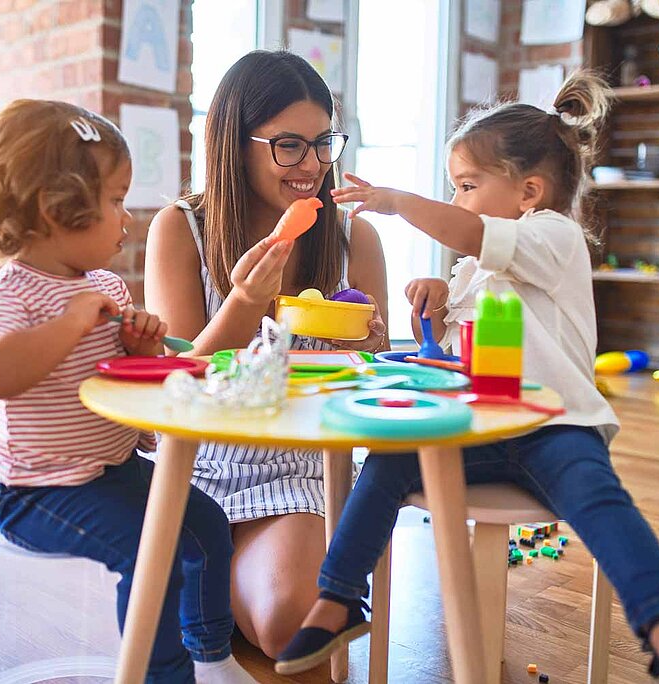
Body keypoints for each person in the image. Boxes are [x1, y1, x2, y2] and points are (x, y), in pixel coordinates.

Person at [276, 73, 659, 684]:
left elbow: (472, 233)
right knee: (387, 461)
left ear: (529, 190)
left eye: (467, 186)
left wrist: (398, 203)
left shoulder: (555, 236)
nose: (460, 201)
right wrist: (438, 312)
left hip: (558, 428)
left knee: (602, 502)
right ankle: (336, 602)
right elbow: (456, 359)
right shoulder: (473, 267)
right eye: (455, 189)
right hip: (478, 430)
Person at [0, 99, 255, 684]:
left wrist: (141, 346)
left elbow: (127, 376)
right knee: (153, 553)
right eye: (116, 200)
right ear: (56, 211)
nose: (127, 220)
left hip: (111, 469)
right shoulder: (10, 294)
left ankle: (212, 656)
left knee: (206, 524)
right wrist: (70, 323)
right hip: (35, 490)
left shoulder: (104, 285)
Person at [144, 50, 390, 658]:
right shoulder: (181, 230)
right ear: (236, 142)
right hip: (197, 464)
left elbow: (368, 380)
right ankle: (202, 586)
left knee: (290, 626)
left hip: (301, 468)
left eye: (322, 142)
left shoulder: (352, 237)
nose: (311, 165)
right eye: (289, 146)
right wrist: (244, 301)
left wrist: (371, 349)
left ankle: (201, 592)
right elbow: (184, 381)